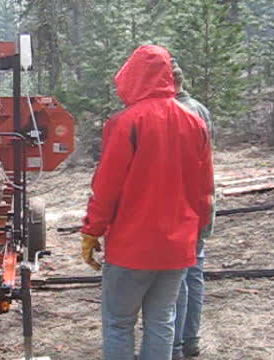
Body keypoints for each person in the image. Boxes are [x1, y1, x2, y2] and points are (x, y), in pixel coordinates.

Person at [80, 45, 214, 360]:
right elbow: (204, 191)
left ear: (133, 76)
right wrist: (198, 236)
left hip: (132, 247)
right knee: (161, 321)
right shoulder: (194, 121)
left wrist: (91, 231)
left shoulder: (126, 122)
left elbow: (106, 186)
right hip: (177, 247)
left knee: (119, 323)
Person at [171, 60, 215, 360]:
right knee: (193, 273)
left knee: (176, 279)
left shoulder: (173, 113)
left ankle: (172, 347)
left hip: (180, 204)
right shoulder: (201, 110)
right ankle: (190, 341)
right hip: (202, 201)